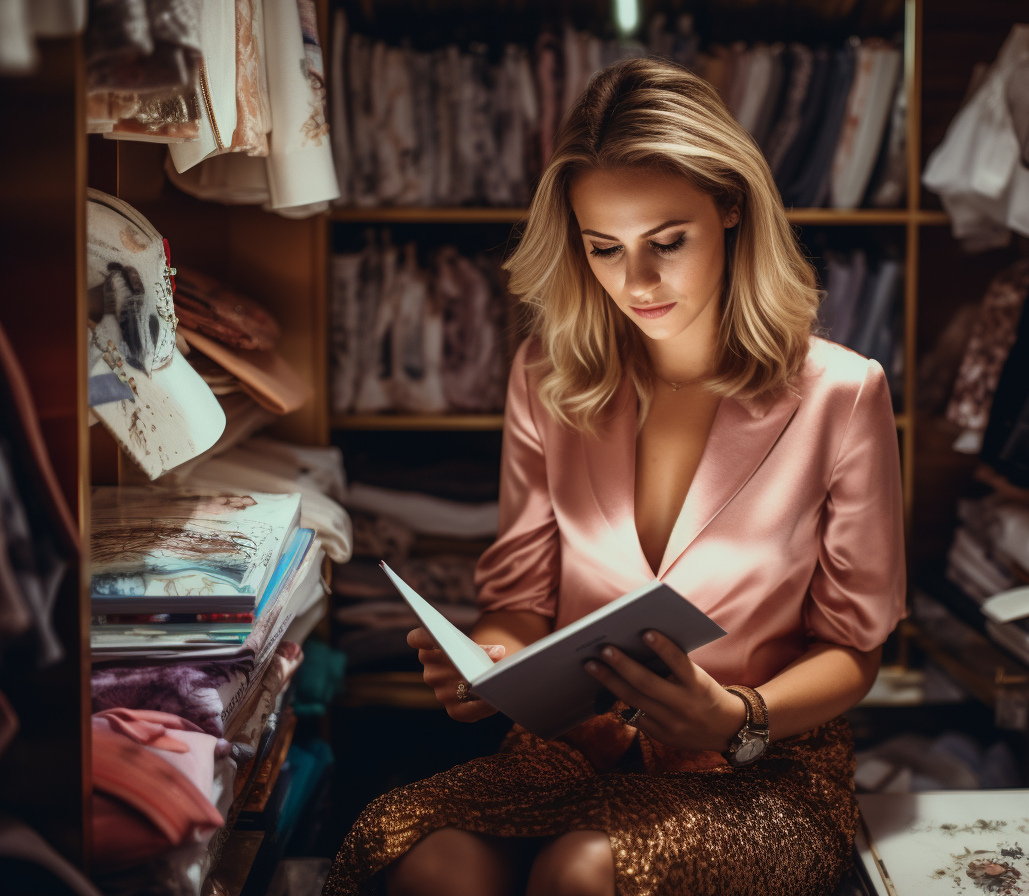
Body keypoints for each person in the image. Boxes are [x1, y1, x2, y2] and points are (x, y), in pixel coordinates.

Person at [324, 57, 905, 896]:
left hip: (759, 765)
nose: (636, 282)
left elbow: (854, 649)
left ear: (731, 207)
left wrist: (738, 716)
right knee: (431, 864)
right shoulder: (545, 377)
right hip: (570, 753)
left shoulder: (843, 394)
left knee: (583, 874)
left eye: (668, 243)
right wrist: (489, 665)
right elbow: (519, 598)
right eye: (604, 248)